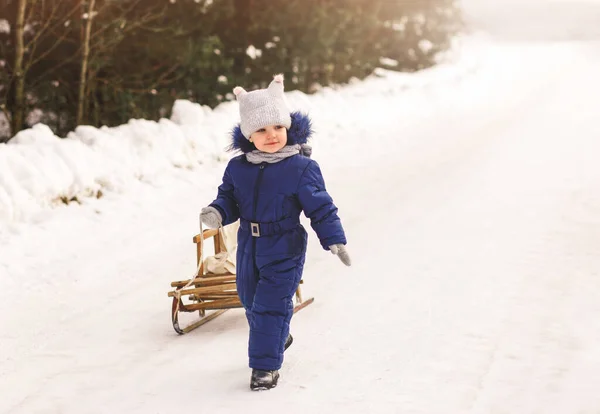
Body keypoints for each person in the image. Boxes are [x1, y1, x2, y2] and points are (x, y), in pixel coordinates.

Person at [200, 74, 351, 391]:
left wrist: (334, 238)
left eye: (278, 128)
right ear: (248, 135)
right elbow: (229, 197)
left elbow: (321, 207)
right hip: (248, 246)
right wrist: (218, 211)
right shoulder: (238, 168)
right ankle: (279, 335)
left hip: (285, 245)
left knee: (270, 304)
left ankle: (264, 368)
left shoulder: (300, 168)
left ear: (288, 127)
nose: (272, 135)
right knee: (250, 300)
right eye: (262, 130)